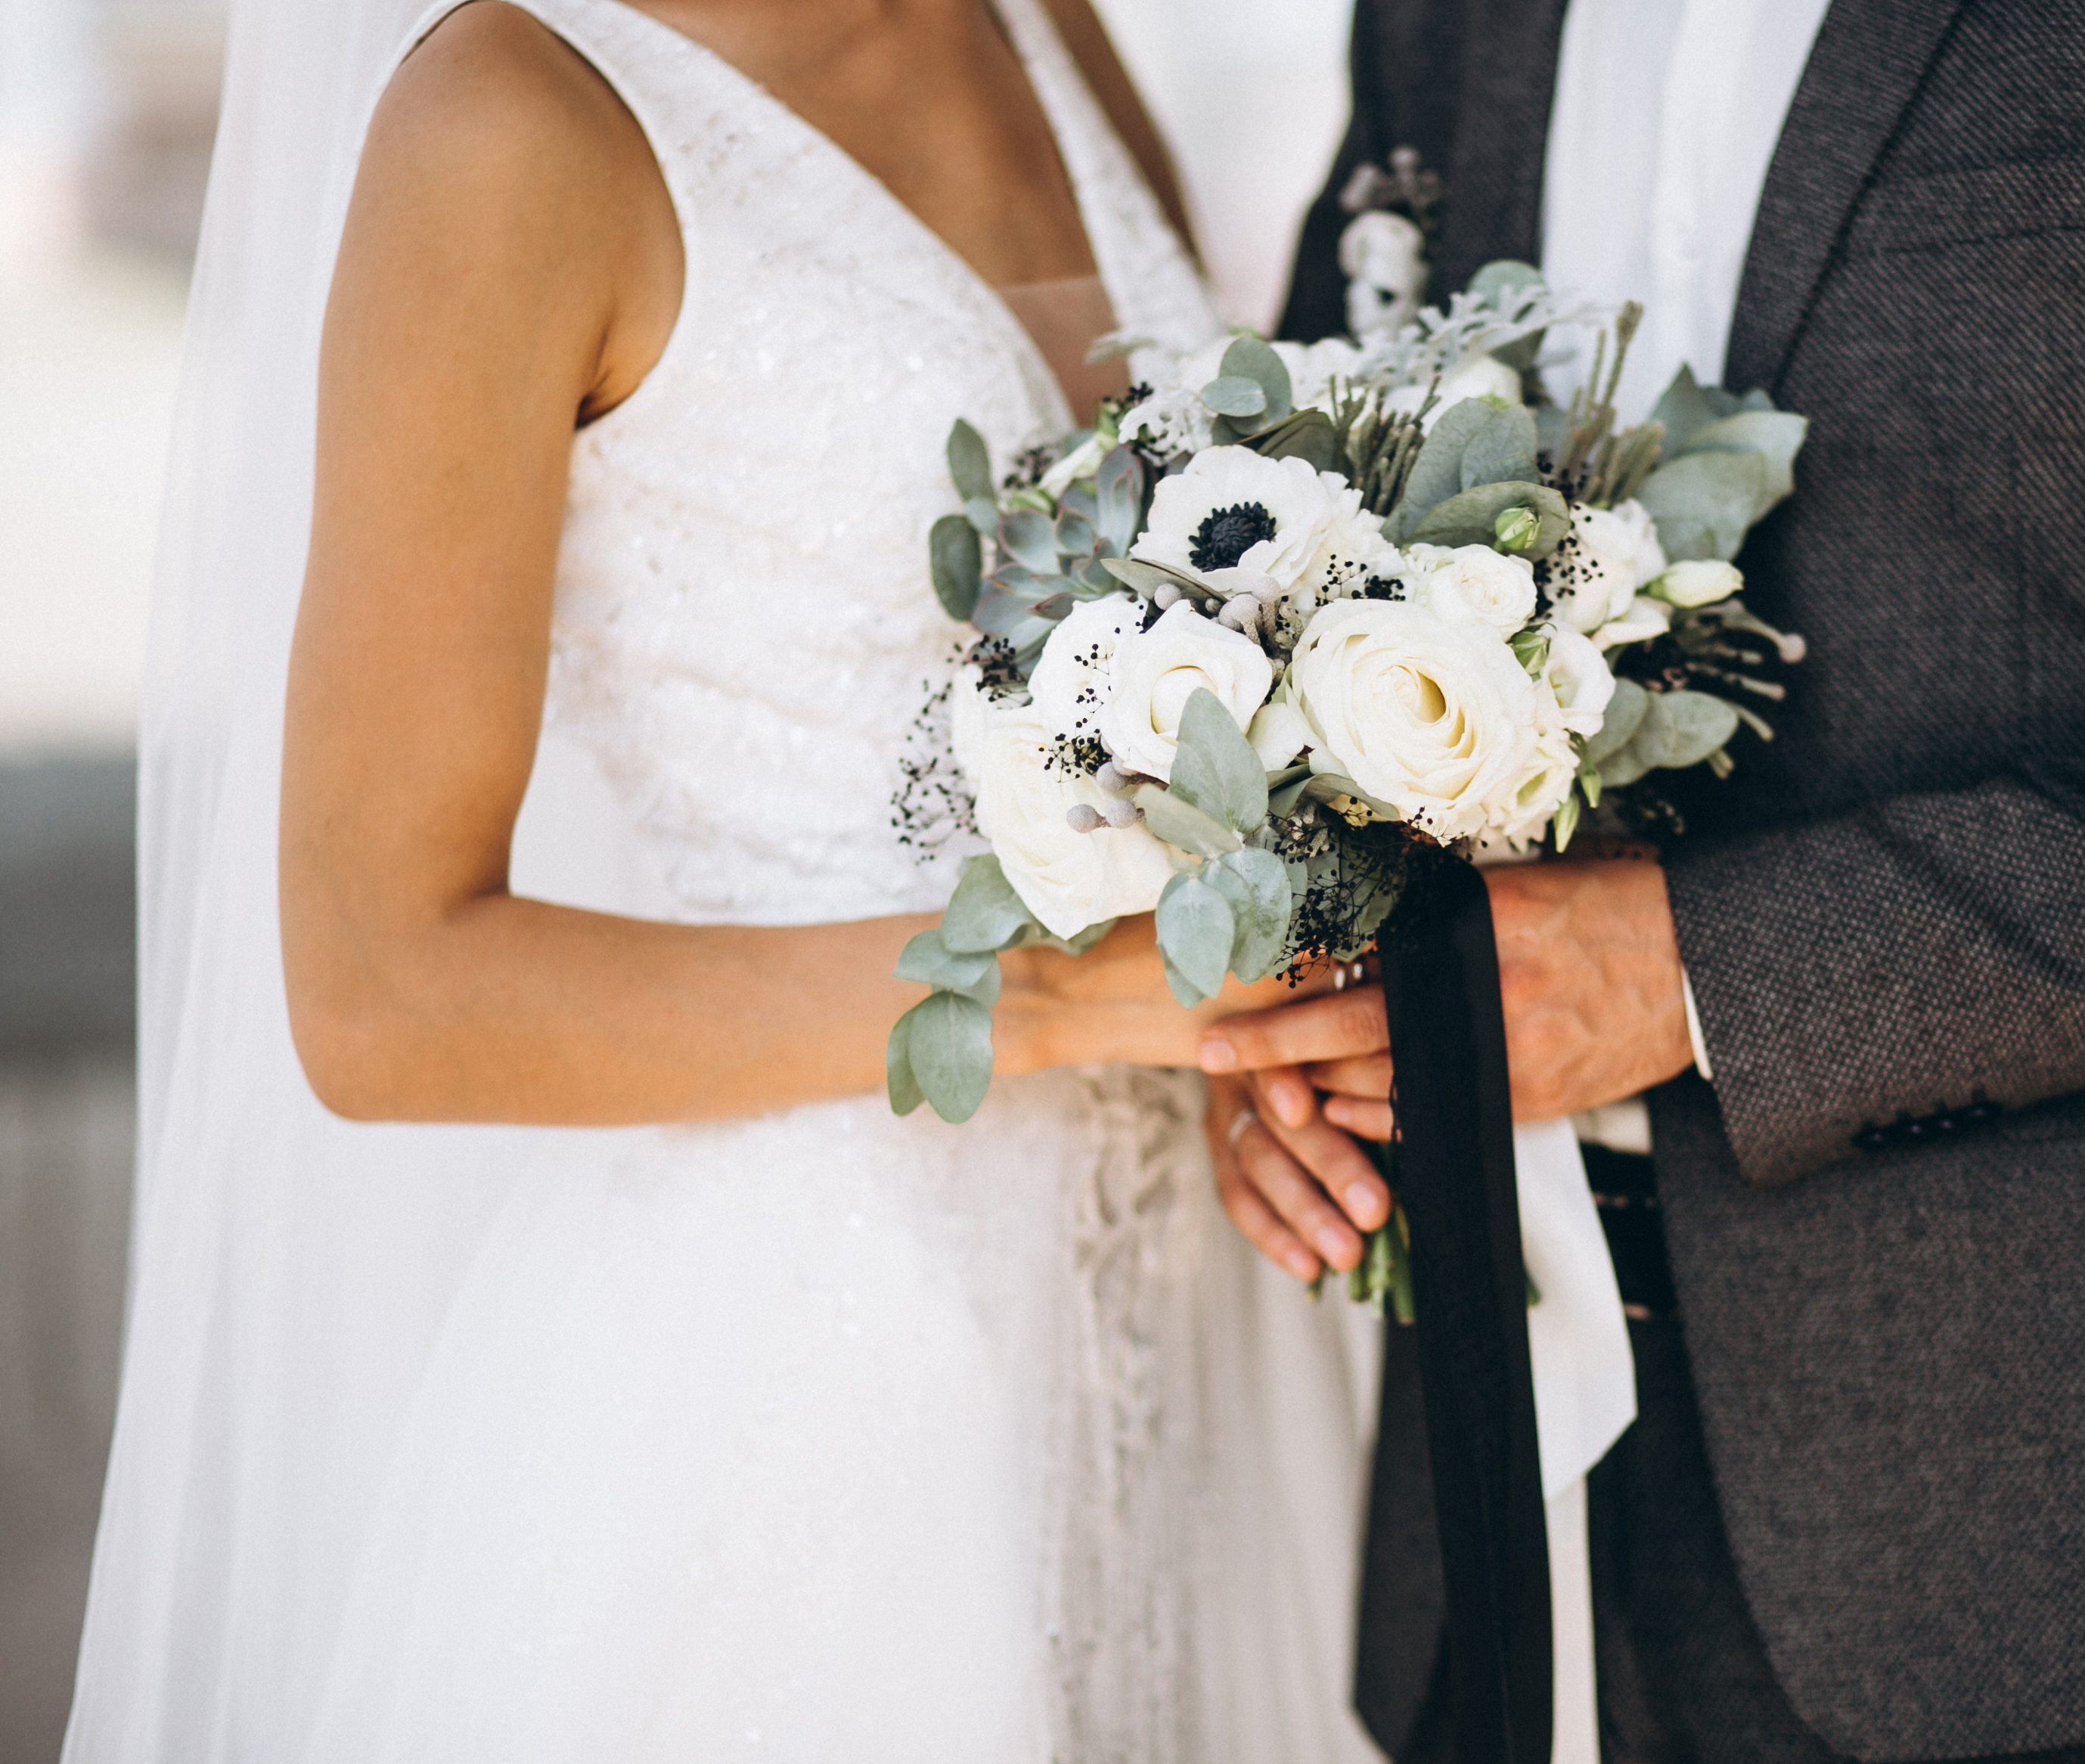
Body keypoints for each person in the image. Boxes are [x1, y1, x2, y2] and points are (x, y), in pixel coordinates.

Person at [1206, 2, 2085, 1759]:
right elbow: (1290, 536)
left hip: (2047, 1497)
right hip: (1499, 1483)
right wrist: (1300, 991)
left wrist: (1699, 975)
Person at [66, 1, 1385, 1756]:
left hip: (1192, 1336)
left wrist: (1239, 998)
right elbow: (382, 995)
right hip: (809, 1377)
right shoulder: (511, 120)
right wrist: (1076, 994)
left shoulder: (1032, 22)